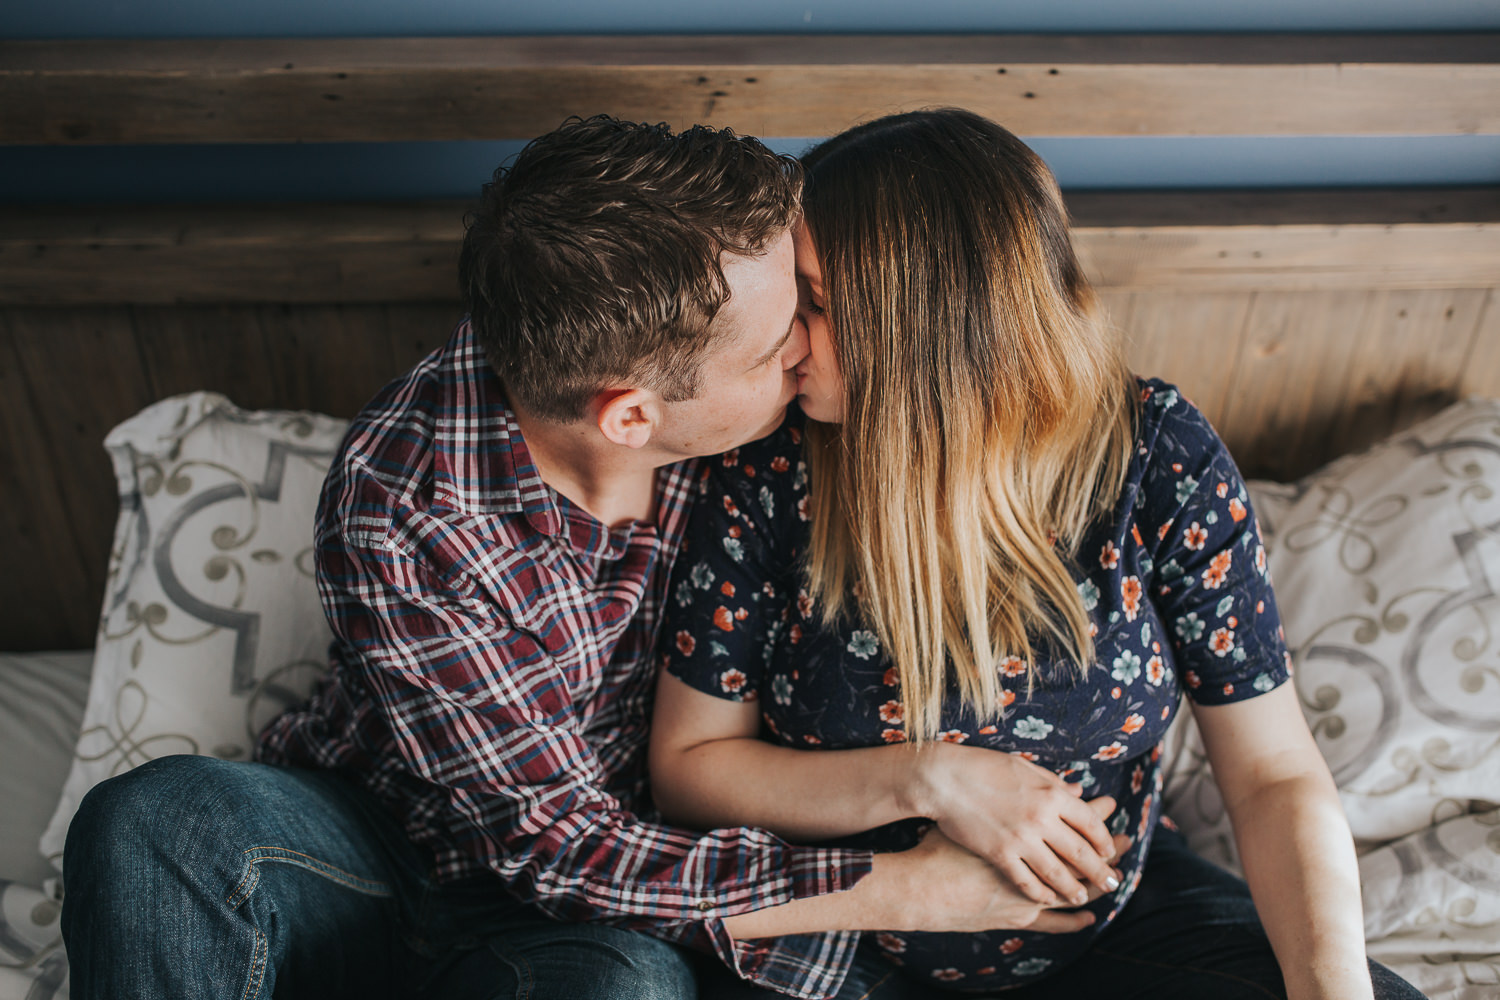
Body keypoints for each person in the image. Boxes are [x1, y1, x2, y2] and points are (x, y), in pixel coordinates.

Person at [60, 114, 1123, 1000]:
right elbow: (554, 844)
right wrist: (895, 889)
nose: (811, 345)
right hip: (384, 842)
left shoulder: (767, 412)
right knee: (154, 821)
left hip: (588, 927)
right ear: (631, 417)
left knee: (619, 990)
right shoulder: (403, 506)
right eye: (780, 338)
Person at [654, 109, 1427, 999]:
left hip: (1105, 926)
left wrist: (1333, 990)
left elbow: (1274, 773)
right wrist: (934, 781)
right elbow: (690, 768)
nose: (785, 340)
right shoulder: (771, 464)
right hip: (840, 943)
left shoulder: (1150, 454)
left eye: (816, 303)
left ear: (928, 324)